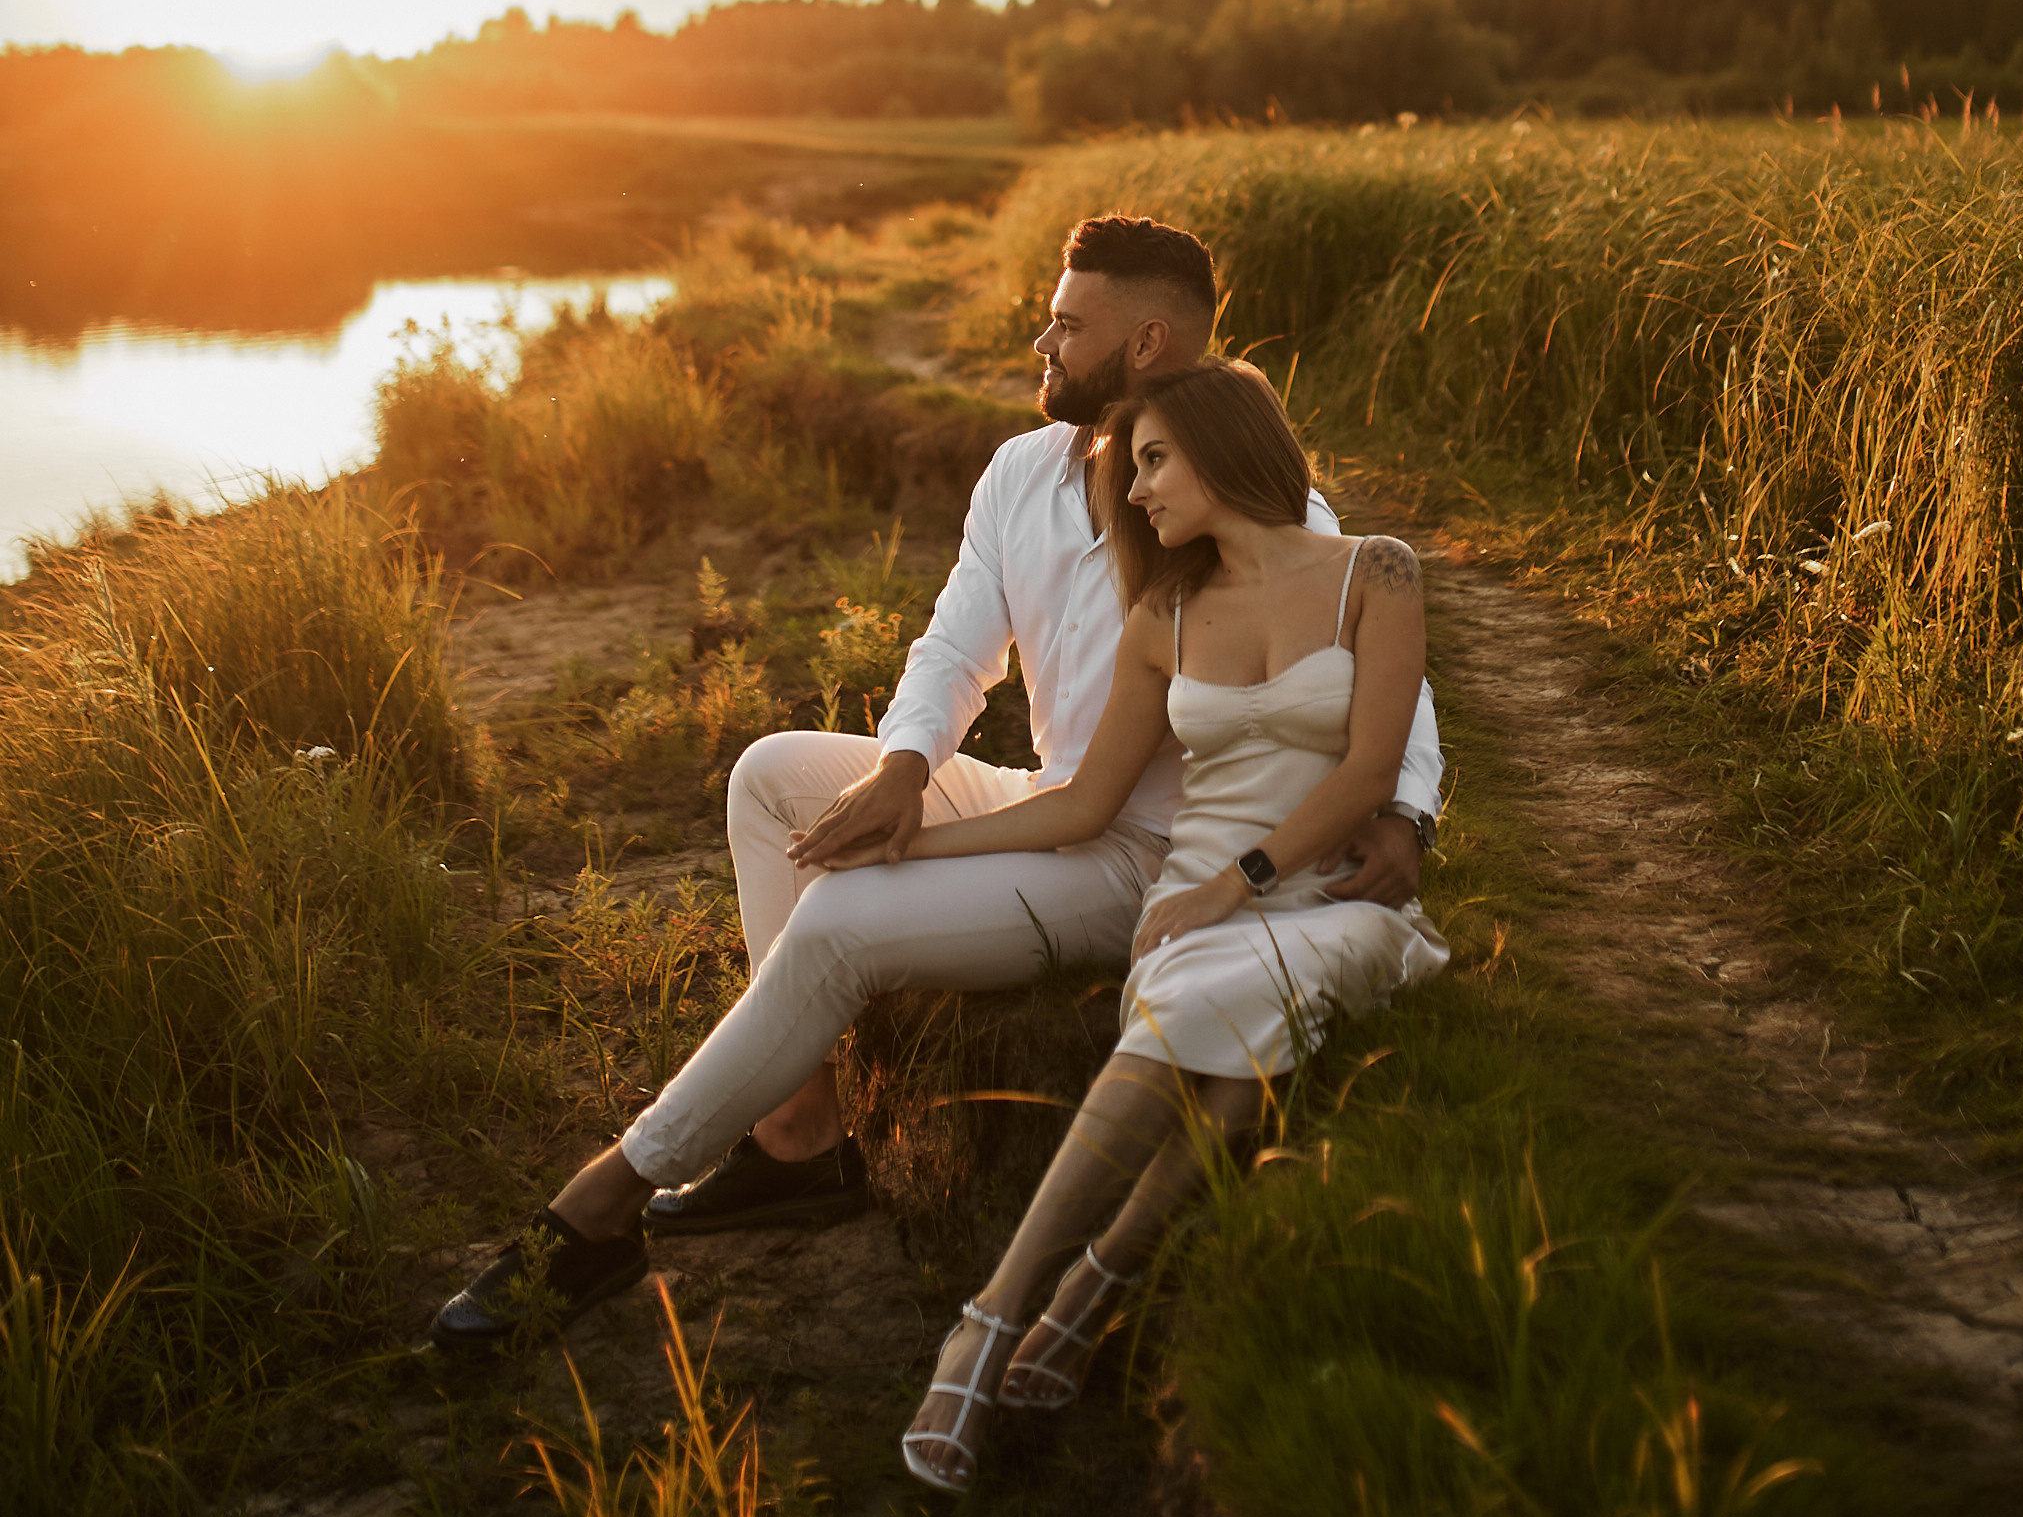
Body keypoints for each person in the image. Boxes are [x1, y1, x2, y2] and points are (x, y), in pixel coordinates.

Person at [428, 216, 1442, 1351]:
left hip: (1149, 855)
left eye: (1067, 324)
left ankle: (602, 1202)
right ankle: (798, 1141)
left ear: (1148, 340)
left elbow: (1364, 654)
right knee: (772, 777)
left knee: (849, 914)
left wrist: (1405, 809)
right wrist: (908, 769)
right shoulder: (1018, 471)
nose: (1041, 340)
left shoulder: (1246, 498)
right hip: (1056, 796)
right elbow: (956, 646)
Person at [897, 356, 1448, 1491]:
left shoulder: (1374, 574)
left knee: (1224, 1007)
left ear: (1224, 445)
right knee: (1228, 1033)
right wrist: (912, 837)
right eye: (1130, 466)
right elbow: (1085, 802)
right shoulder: (1162, 613)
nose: (1136, 490)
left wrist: (1235, 883)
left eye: (1152, 460)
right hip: (1197, 889)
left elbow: (1366, 772)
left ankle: (1002, 1314)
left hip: (1311, 885)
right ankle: (1061, 1297)